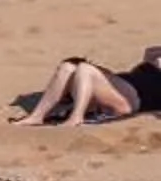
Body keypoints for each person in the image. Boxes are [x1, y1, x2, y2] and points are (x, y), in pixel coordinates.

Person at [15, 50, 161, 125]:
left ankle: (76, 117)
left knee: (86, 69)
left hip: (132, 98)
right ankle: (37, 116)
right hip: (123, 83)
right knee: (68, 66)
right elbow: (149, 53)